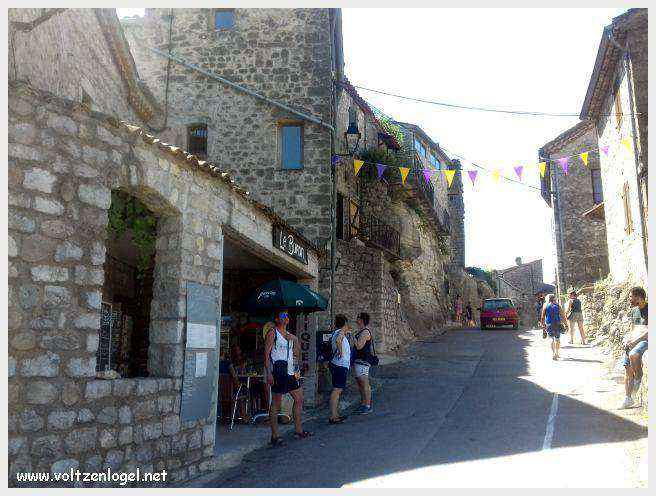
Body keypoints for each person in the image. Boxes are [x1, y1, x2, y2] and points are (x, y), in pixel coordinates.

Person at [264, 309, 312, 446]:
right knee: (276, 403)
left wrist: (295, 340)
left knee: (299, 398)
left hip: (290, 371)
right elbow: (266, 355)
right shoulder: (272, 333)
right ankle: (275, 436)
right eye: (283, 316)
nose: (286, 318)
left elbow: (296, 354)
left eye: (287, 316)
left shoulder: (291, 336)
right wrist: (268, 372)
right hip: (278, 370)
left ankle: (298, 430)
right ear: (277, 319)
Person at [619, 286, 649, 409]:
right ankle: (628, 398)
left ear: (639, 297)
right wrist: (628, 340)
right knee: (626, 367)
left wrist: (634, 341)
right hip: (634, 340)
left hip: (645, 340)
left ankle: (638, 378)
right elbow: (633, 329)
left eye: (631, 296)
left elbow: (649, 331)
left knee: (634, 354)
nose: (629, 299)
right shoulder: (634, 310)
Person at [328, 314, 351, 424]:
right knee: (337, 389)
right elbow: (338, 341)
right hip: (340, 365)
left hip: (338, 365)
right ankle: (333, 415)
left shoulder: (337, 332)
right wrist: (341, 353)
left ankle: (335, 414)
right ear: (345, 324)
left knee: (338, 389)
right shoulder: (340, 333)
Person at [352, 312, 374, 415]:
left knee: (364, 383)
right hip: (359, 361)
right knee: (360, 384)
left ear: (361, 320)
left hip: (363, 361)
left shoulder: (365, 332)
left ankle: (367, 405)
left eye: (358, 318)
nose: (356, 319)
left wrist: (353, 338)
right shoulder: (362, 331)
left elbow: (359, 346)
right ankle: (363, 404)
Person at [541, 294, 566, 360]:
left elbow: (542, 317)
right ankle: (557, 353)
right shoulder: (558, 306)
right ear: (554, 299)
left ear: (548, 299)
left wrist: (543, 325)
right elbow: (563, 316)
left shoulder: (545, 306)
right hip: (557, 324)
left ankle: (553, 353)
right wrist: (566, 324)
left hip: (549, 324)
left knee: (551, 338)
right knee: (557, 339)